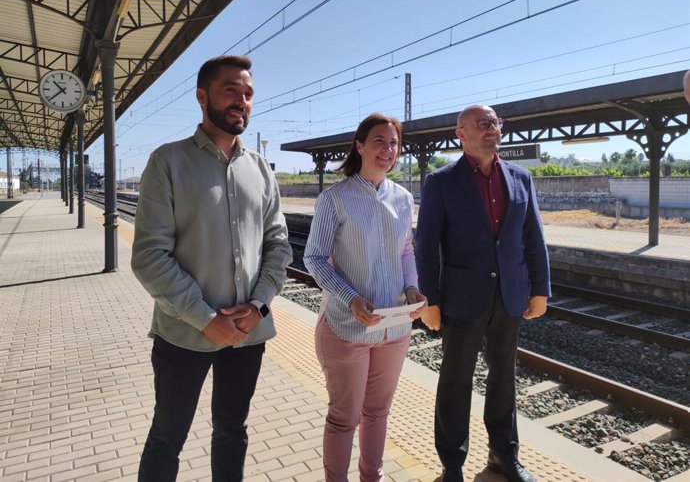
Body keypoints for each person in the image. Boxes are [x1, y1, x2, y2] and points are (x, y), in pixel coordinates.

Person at [131, 55, 292, 481]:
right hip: (183, 333)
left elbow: (278, 245)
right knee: (168, 436)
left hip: (248, 332)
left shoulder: (260, 170)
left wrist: (258, 305)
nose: (242, 101)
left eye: (248, 94)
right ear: (202, 97)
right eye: (231, 90)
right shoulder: (168, 162)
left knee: (232, 432)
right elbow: (149, 256)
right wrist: (206, 320)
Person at [415, 104, 550, 482]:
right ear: (460, 134)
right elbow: (426, 245)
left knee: (503, 378)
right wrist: (431, 301)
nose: (492, 129)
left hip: (510, 294)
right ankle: (452, 464)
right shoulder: (441, 181)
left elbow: (533, 237)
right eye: (482, 124)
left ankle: (504, 457)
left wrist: (540, 290)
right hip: (461, 299)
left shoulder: (520, 178)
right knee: (456, 381)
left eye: (495, 122)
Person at [303, 113, 429, 481]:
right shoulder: (335, 199)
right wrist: (351, 297)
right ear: (359, 146)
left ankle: (371, 477)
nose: (387, 150)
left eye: (393, 143)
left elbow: (406, 250)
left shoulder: (403, 198)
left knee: (378, 412)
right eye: (379, 141)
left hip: (393, 329)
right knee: (345, 417)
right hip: (346, 329)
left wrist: (411, 288)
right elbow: (313, 258)